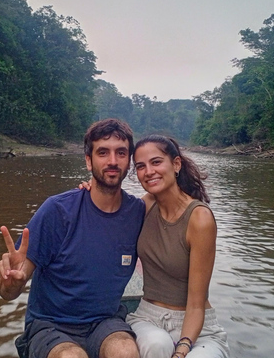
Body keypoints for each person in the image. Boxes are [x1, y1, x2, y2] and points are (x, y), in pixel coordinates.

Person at [0, 118, 145, 358]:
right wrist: (11, 283)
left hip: (104, 322)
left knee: (126, 351)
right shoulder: (57, 211)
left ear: (129, 161)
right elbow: (8, 292)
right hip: (51, 325)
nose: (112, 161)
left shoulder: (137, 212)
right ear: (88, 160)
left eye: (121, 153)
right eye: (103, 153)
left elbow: (172, 206)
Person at [83, 135, 229, 358]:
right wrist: (87, 191)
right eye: (140, 166)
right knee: (157, 345)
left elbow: (197, 304)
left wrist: (182, 349)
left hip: (197, 326)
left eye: (156, 162)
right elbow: (108, 209)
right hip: (149, 317)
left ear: (176, 164)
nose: (148, 171)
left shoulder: (199, 219)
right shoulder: (145, 206)